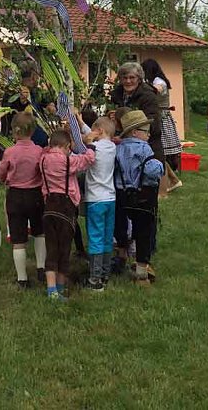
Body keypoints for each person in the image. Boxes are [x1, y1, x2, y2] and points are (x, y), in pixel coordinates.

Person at [39, 129, 95, 300]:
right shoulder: (68, 161)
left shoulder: (43, 159)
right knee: (64, 249)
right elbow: (88, 159)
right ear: (66, 146)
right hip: (65, 207)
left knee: (51, 248)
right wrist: (90, 145)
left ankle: (51, 289)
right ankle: (61, 287)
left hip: (48, 206)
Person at [113, 110, 165, 286]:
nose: (149, 134)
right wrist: (159, 168)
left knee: (121, 228)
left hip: (121, 195)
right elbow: (151, 170)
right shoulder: (144, 148)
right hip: (142, 196)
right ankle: (142, 273)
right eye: (145, 130)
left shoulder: (117, 149)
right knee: (143, 232)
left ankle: (120, 257)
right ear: (135, 132)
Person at [0, 112, 47, 288]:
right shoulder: (39, 151)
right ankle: (42, 268)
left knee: (18, 240)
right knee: (40, 232)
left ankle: (22, 278)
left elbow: (1, 173)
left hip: (16, 196)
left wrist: (2, 178)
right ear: (33, 131)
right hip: (36, 195)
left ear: (14, 132)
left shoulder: (10, 152)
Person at [83, 116, 117, 292]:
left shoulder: (93, 149)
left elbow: (82, 155)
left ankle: (94, 279)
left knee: (95, 237)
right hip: (110, 198)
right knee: (106, 236)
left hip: (95, 198)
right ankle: (105, 273)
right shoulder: (112, 147)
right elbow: (93, 134)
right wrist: (79, 121)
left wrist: (87, 139)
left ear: (99, 131)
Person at [141, 58, 183, 192]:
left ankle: (170, 181)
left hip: (162, 119)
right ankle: (174, 179)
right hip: (157, 117)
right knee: (157, 153)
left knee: (158, 152)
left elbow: (156, 90)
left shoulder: (159, 82)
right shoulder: (154, 81)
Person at [110, 62, 163, 161]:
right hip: (121, 148)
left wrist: (126, 138)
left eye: (132, 77)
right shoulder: (116, 95)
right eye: (124, 78)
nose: (128, 81)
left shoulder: (148, 96)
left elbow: (153, 124)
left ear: (139, 79)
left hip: (146, 150)